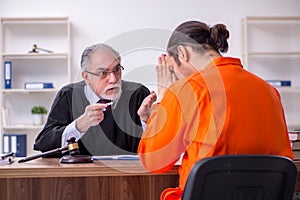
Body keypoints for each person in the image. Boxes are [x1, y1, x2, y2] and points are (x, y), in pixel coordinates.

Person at [137, 20, 293, 200]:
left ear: (182, 52)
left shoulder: (187, 89)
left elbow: (154, 161)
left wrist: (163, 99)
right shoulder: (269, 90)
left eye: (173, 69)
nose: (177, 77)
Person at [34, 43, 150, 156]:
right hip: (81, 173)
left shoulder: (138, 94)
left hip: (129, 173)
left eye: (117, 70)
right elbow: (44, 144)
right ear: (86, 77)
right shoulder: (68, 95)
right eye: (102, 73)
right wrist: (79, 125)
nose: (113, 79)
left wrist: (147, 121)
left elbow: (154, 148)